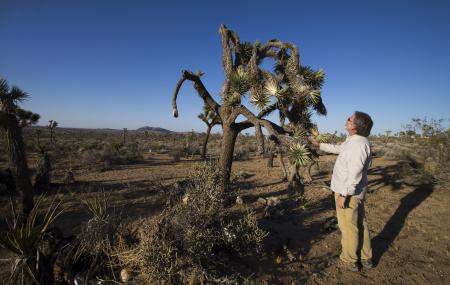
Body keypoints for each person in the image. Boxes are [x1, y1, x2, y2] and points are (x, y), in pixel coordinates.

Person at [308, 111, 374, 271]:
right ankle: (366, 257)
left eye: (350, 119)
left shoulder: (359, 145)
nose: (346, 119)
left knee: (348, 226)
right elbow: (339, 149)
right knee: (359, 223)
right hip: (353, 191)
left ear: (355, 126)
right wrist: (319, 145)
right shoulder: (354, 141)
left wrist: (344, 195)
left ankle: (350, 259)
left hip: (348, 193)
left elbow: (355, 173)